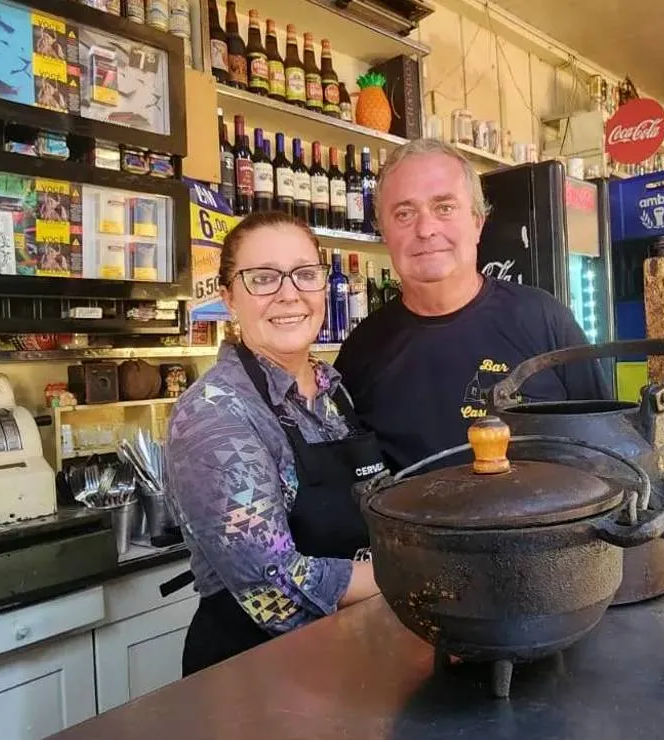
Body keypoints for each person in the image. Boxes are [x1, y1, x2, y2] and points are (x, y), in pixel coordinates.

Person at [163, 211, 383, 677]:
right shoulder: (213, 414)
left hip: (349, 661)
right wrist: (410, 573)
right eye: (263, 278)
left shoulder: (334, 391)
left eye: (305, 274)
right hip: (255, 678)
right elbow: (276, 589)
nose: (289, 293)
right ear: (229, 298)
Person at [335, 138, 610, 472]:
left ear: (478, 222)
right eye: (404, 214)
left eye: (444, 208)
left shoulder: (544, 319)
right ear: (384, 232)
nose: (425, 229)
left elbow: (609, 448)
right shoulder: (360, 354)